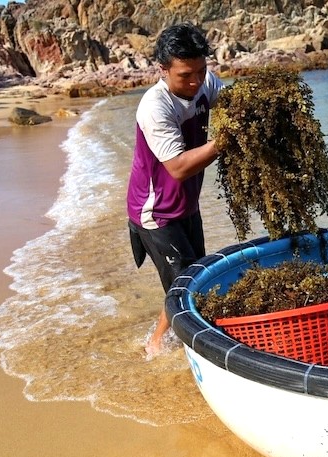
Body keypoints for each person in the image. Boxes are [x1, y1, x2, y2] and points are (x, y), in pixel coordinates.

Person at [127, 22, 224, 356]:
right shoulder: (155, 107)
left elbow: (228, 105)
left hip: (187, 206)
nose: (196, 82)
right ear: (163, 70)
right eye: (185, 75)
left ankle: (160, 339)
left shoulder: (204, 84)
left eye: (201, 70)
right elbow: (179, 167)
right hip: (156, 213)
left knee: (191, 277)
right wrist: (226, 141)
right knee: (186, 287)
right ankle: (160, 347)